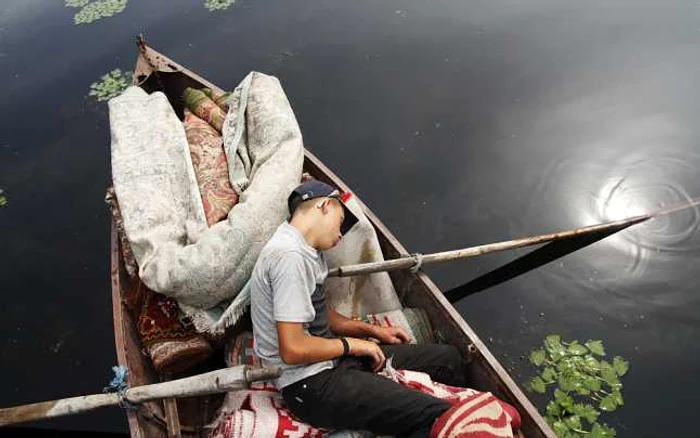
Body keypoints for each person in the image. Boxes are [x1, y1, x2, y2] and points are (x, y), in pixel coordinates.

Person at [250, 180, 467, 437]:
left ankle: (450, 404)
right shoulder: (289, 257)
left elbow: (317, 313)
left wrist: (372, 332)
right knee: (437, 417)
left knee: (448, 359)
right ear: (324, 206)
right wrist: (356, 344)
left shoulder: (306, 251)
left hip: (333, 361)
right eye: (341, 222)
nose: (341, 236)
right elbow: (293, 349)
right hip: (310, 384)